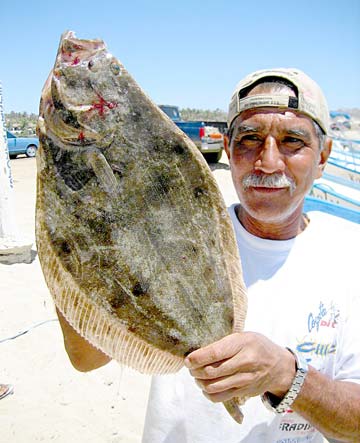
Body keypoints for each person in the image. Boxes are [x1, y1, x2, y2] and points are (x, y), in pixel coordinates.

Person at [56, 68, 360, 443]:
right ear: (229, 150)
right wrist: (70, 220)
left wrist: (286, 375)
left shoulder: (350, 255)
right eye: (249, 139)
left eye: (292, 141)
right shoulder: (176, 233)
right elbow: (86, 358)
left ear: (324, 155)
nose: (268, 162)